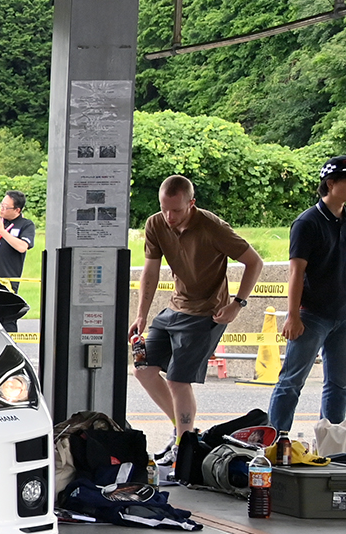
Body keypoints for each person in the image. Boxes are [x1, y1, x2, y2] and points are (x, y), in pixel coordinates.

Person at [132, 175, 263, 452]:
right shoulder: (156, 224)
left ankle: (183, 444)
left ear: (192, 204)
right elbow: (151, 271)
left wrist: (238, 304)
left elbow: (254, 261)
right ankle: (185, 433)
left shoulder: (213, 227)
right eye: (164, 208)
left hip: (208, 312)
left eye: (176, 210)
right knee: (143, 369)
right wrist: (141, 314)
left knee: (178, 381)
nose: (169, 216)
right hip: (175, 307)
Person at [267, 157, 346, 434]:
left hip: (342, 314)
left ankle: (333, 443)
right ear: (331, 184)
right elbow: (296, 273)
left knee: (339, 385)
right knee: (291, 381)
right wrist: (292, 316)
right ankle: (276, 440)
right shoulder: (307, 222)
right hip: (311, 314)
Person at [0, 190, 35, 289]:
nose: (2, 209)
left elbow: (22, 247)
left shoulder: (26, 225)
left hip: (7, 281)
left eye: (6, 207)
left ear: (17, 210)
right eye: (1, 205)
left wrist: (2, 231)